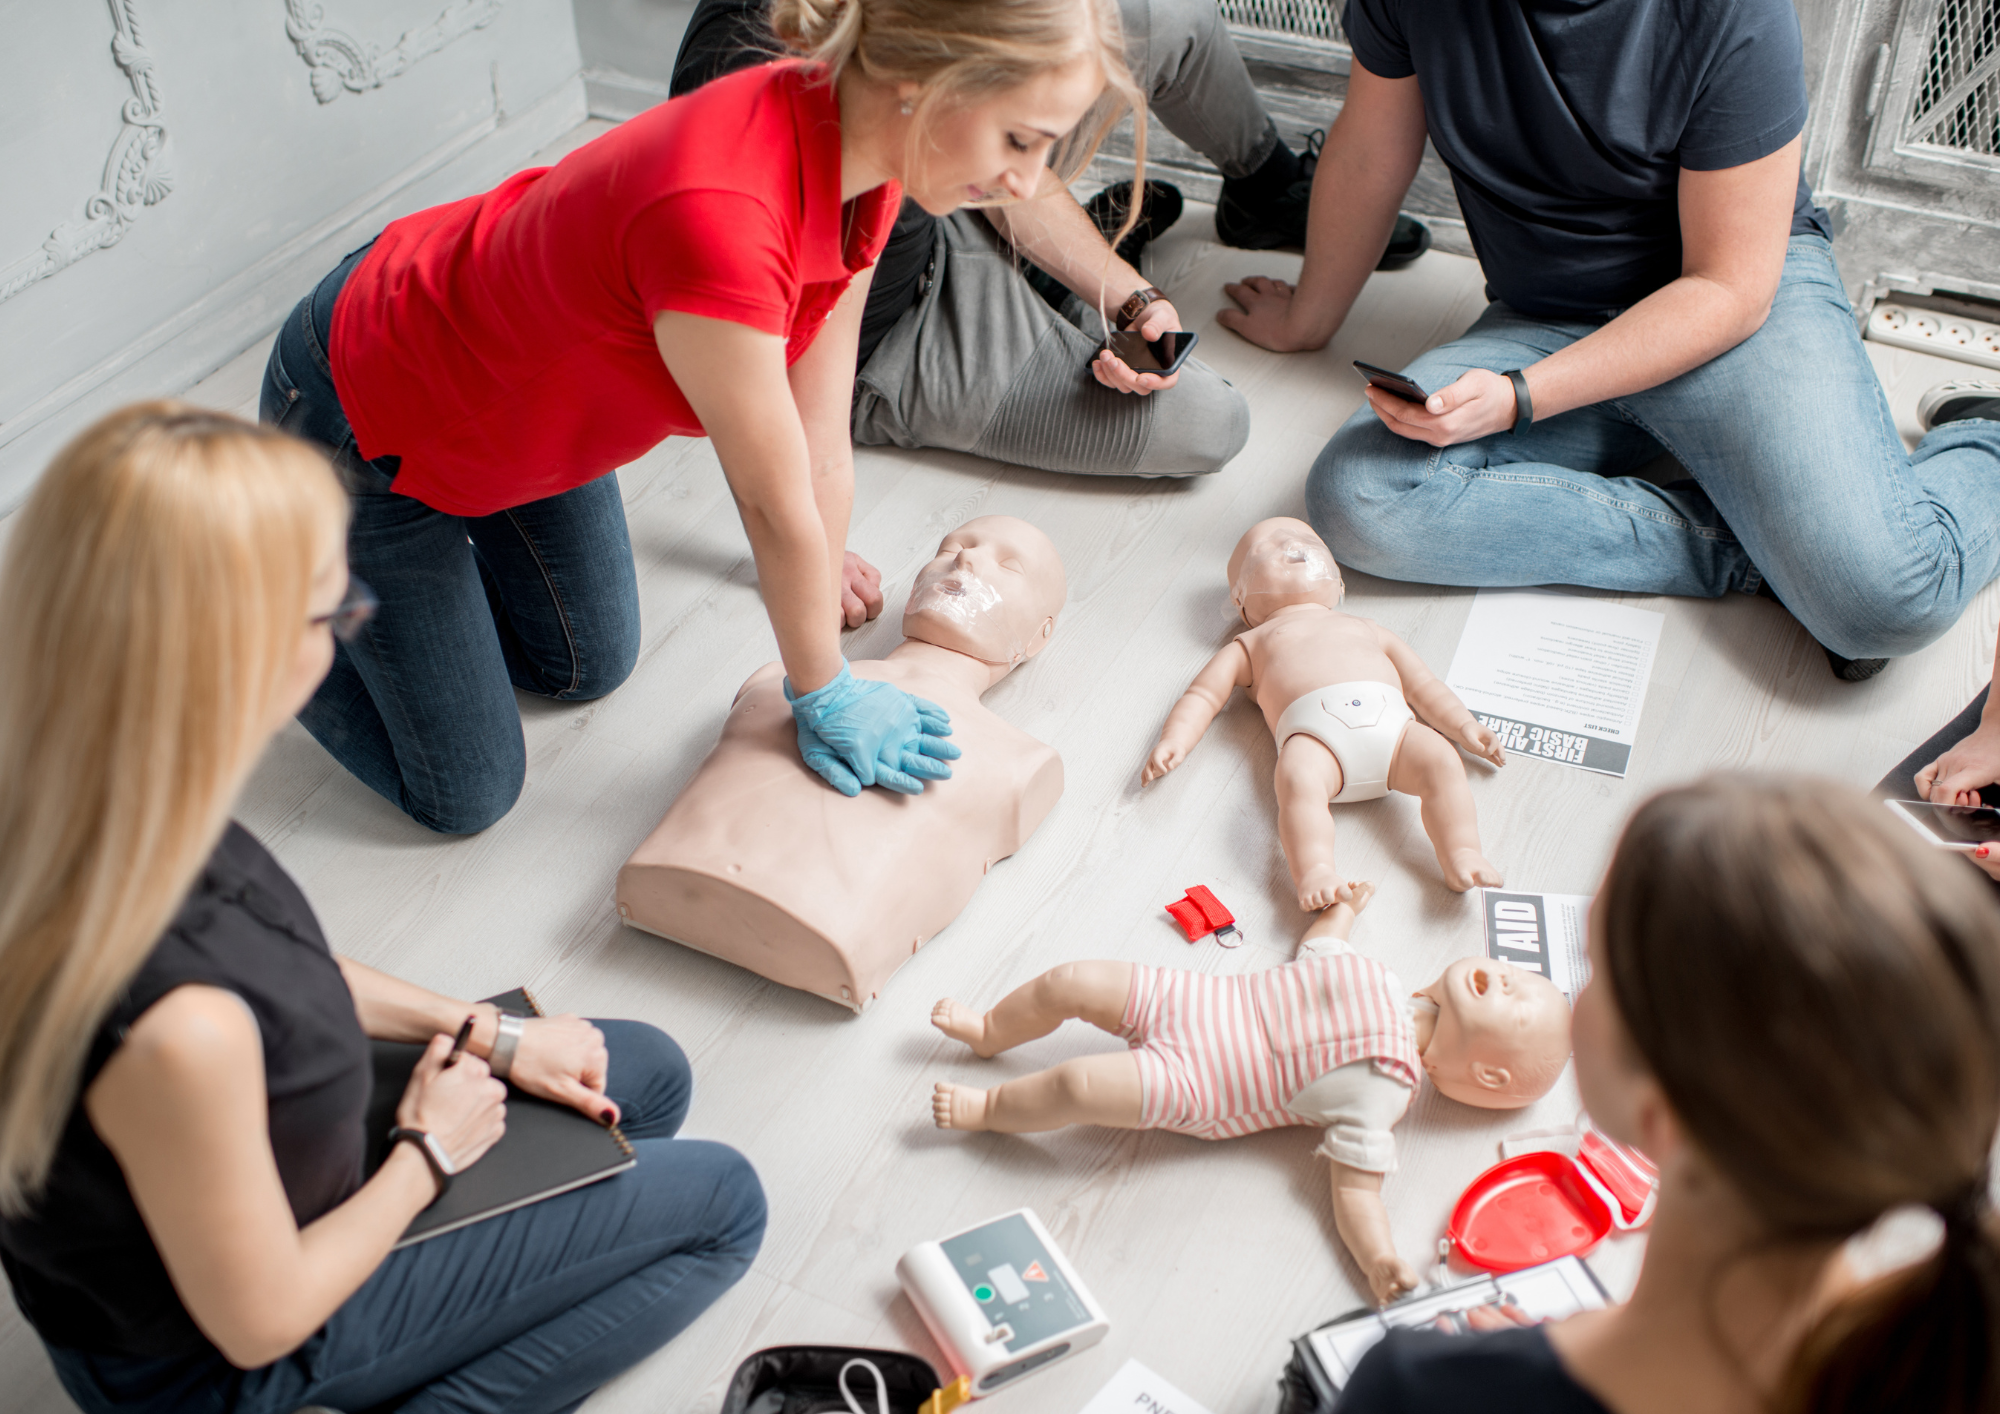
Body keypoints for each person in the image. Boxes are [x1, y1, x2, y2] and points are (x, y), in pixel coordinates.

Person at [0, 405, 766, 1414]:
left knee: (646, 1076)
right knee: (723, 1205)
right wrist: (428, 1153)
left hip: (267, 1155)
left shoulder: (91, 789)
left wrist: (488, 1033)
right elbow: (261, 1321)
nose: (345, 628)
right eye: (335, 612)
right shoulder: (178, 1028)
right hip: (228, 1358)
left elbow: (274, 960)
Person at [263, 0, 1140, 833]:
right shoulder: (722, 219)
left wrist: (824, 612)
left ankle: (407, 600)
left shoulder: (868, 168)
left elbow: (818, 442)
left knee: (580, 667)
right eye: (1019, 140)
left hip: (514, 406)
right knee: (467, 795)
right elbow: (768, 501)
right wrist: (821, 686)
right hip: (368, 420)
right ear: (926, 76)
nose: (1025, 180)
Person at [1220, 0, 2000, 683]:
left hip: (1731, 305)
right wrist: (1309, 318)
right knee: (1361, 498)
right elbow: (1370, 148)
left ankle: (1985, 441)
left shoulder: (1733, 13)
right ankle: (1760, 557)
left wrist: (1522, 398)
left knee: (1889, 602)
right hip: (1550, 317)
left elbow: (1729, 287)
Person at [1334, 773, 2000, 1413]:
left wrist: (1510, 1378)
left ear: (1660, 1117)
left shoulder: (1413, 1389)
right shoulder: (1942, 1363)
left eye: (1594, 967)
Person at [669, 0, 1429, 481]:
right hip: (877, 336)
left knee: (1164, 14)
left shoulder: (923, 99)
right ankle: (1043, 287)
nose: (1033, 177)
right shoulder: (790, 143)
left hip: (941, 182)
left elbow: (1002, 171)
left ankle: (1258, 195)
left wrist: (1132, 298)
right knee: (1210, 420)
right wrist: (813, 540)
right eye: (1021, 141)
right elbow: (772, 398)